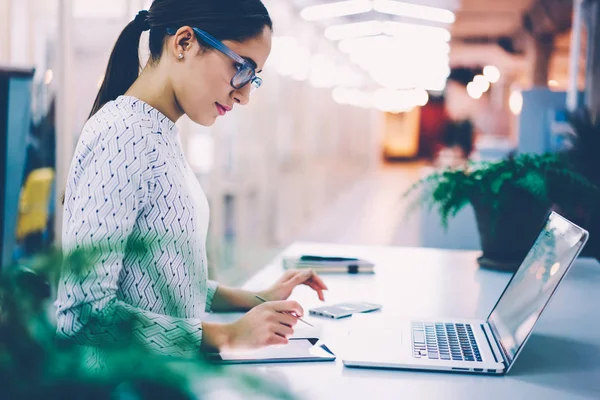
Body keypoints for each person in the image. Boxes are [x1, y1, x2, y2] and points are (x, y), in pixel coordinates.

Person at [54, 0, 328, 364]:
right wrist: (226, 335)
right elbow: (83, 315)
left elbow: (162, 279)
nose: (244, 94)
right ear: (183, 43)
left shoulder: (159, 133)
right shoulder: (122, 135)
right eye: (241, 68)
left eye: (254, 77)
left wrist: (256, 299)